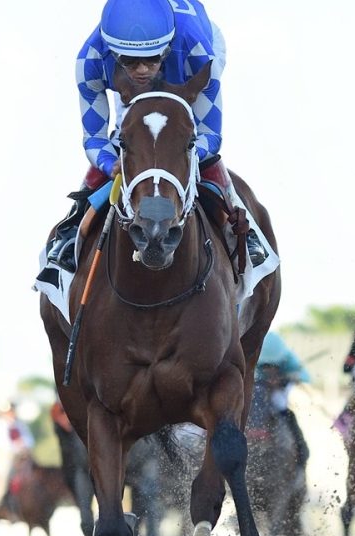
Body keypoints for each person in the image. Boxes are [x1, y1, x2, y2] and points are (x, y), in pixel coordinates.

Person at [44, 0, 265, 273]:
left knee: (181, 137)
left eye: (151, 59)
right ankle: (73, 226)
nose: (141, 71)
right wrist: (109, 164)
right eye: (130, 62)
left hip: (185, 62)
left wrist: (180, 154)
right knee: (129, 138)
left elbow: (210, 134)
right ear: (113, 53)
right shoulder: (90, 60)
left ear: (165, 49)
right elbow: (94, 138)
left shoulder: (198, 55)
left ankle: (244, 229)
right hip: (143, 72)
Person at [256, 331, 311, 467]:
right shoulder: (251, 355)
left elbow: (305, 376)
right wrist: (264, 381)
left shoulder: (288, 357)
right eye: (265, 365)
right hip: (256, 391)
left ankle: (300, 448)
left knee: (281, 406)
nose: (268, 368)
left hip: (279, 392)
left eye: (272, 365)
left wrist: (285, 379)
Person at [0, 403, 36, 516]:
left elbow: (29, 440)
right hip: (4, 458)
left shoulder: (20, 425)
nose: (12, 413)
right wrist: (19, 447)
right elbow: (3, 444)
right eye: (9, 411)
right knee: (5, 477)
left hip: (21, 457)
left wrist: (24, 447)